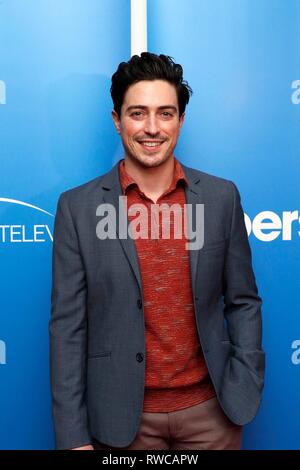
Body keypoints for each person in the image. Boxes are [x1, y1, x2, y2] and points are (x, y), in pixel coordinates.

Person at [49, 52, 265, 450]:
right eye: (137, 113)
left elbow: (243, 300)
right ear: (117, 121)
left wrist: (245, 379)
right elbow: (67, 330)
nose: (152, 128)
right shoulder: (77, 208)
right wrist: (72, 436)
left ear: (181, 121)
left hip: (212, 415)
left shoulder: (221, 198)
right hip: (119, 421)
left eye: (165, 114)